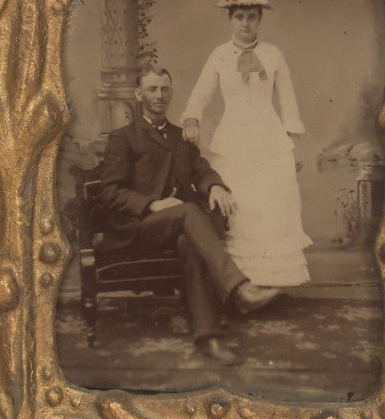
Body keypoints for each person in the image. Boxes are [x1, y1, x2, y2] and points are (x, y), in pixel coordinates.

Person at [97, 65, 272, 366]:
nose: (159, 96)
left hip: (178, 227)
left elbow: (201, 168)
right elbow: (109, 193)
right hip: (138, 229)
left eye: (165, 89)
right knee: (189, 211)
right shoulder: (123, 137)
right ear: (139, 95)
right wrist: (152, 204)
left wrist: (215, 186)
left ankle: (209, 337)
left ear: (171, 93)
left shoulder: (180, 137)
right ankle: (240, 289)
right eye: (152, 89)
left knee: (189, 243)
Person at [181, 0, 311, 301]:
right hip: (234, 139)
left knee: (271, 204)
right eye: (239, 17)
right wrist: (192, 118)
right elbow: (200, 94)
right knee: (239, 205)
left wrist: (293, 142)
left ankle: (270, 280)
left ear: (259, 20)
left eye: (251, 17)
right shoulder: (220, 56)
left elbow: (288, 101)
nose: (245, 24)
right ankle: (240, 284)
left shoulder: (273, 54)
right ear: (230, 19)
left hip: (270, 139)